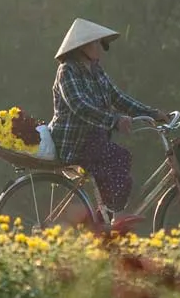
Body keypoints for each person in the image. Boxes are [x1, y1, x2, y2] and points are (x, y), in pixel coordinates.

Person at [49, 17, 169, 232]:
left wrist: (152, 113)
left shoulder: (96, 71)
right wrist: (113, 121)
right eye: (95, 43)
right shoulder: (67, 71)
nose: (100, 49)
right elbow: (80, 106)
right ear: (81, 47)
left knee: (118, 162)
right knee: (119, 157)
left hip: (94, 139)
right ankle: (110, 221)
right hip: (74, 143)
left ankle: (104, 220)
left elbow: (118, 98)